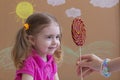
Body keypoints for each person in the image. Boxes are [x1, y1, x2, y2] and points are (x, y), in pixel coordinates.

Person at [11, 12, 63, 80]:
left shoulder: (51, 59)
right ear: (32, 40)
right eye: (49, 37)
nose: (55, 42)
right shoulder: (29, 63)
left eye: (57, 37)